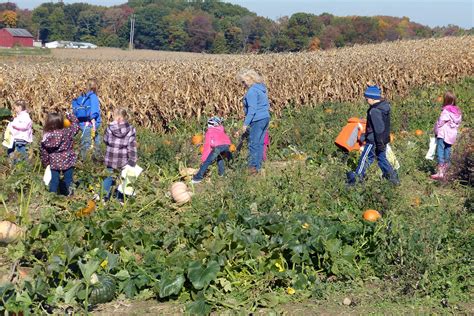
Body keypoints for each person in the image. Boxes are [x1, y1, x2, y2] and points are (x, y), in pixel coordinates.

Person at [347, 85, 400, 186]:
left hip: (374, 141)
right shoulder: (383, 107)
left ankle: (357, 179)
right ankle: (393, 178)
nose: (366, 100)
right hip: (383, 139)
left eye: (367, 98)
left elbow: (378, 129)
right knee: (382, 159)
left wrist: (376, 141)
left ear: (372, 98)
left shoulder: (374, 111)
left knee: (365, 158)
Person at [235, 69, 270, 174]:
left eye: (243, 81)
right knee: (259, 143)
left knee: (253, 143)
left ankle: (252, 168)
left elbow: (252, 109)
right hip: (265, 118)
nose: (243, 84)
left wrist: (245, 124)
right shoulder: (261, 89)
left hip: (257, 120)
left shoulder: (252, 91)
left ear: (249, 79)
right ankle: (258, 167)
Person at [102, 108, 137, 202]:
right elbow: (132, 146)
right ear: (125, 117)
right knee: (123, 179)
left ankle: (104, 197)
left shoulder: (109, 127)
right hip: (123, 159)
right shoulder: (131, 129)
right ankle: (120, 199)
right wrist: (133, 160)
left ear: (114, 116)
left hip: (110, 157)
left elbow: (105, 140)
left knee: (108, 177)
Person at [40, 112, 80, 195]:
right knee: (69, 179)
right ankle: (71, 196)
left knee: (54, 180)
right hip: (68, 158)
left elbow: (44, 151)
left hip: (55, 160)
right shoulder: (68, 131)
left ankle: (52, 197)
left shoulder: (47, 136)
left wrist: (45, 162)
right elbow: (76, 125)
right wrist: (70, 115)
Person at [431, 91, 462, 180]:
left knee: (440, 149)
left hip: (443, 133)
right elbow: (458, 123)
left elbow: (441, 122)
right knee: (447, 149)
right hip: (452, 134)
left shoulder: (446, 111)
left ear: (446, 100)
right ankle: (447, 170)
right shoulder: (458, 112)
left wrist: (436, 129)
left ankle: (440, 171)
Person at [191, 117, 232, 184]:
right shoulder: (221, 130)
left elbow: (207, 146)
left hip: (219, 147)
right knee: (220, 158)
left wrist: (204, 159)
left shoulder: (209, 132)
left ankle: (197, 178)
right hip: (227, 146)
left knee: (207, 161)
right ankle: (222, 174)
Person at [73, 78, 102, 159]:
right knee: (95, 142)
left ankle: (86, 159)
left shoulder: (82, 97)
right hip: (91, 124)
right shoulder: (93, 96)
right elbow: (94, 110)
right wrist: (93, 121)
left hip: (82, 123)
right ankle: (91, 161)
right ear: (95, 87)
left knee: (85, 141)